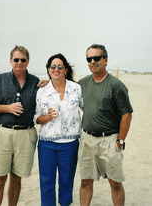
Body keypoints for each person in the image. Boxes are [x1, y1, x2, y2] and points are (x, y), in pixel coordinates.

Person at [0, 45, 39, 206]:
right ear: (10, 61)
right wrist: (7, 108)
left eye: (23, 60)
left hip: (26, 135)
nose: (19, 62)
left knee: (16, 178)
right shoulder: (0, 79)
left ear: (28, 61)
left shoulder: (36, 82)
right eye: (16, 59)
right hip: (2, 133)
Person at [78, 44, 133, 206]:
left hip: (110, 140)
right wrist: (49, 82)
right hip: (87, 139)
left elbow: (127, 115)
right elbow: (65, 89)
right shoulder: (83, 83)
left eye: (96, 58)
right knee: (85, 182)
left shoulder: (116, 85)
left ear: (105, 60)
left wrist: (120, 141)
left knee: (115, 183)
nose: (92, 61)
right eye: (89, 59)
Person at [34, 53, 83, 206]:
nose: (56, 69)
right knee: (47, 182)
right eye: (53, 67)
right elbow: (36, 117)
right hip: (47, 144)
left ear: (66, 69)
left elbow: (88, 108)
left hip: (70, 144)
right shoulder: (42, 91)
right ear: (48, 70)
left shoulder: (76, 88)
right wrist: (47, 117)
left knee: (66, 181)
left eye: (60, 66)